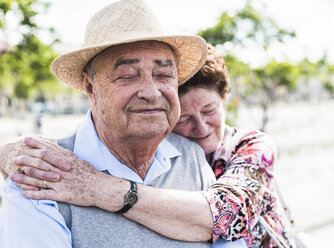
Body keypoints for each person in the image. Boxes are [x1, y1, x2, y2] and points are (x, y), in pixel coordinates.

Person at [0, 0, 246, 247]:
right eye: (128, 75)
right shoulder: (39, 175)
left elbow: (226, 233)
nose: (151, 92)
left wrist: (102, 189)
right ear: (90, 87)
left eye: (163, 75)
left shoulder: (191, 158)